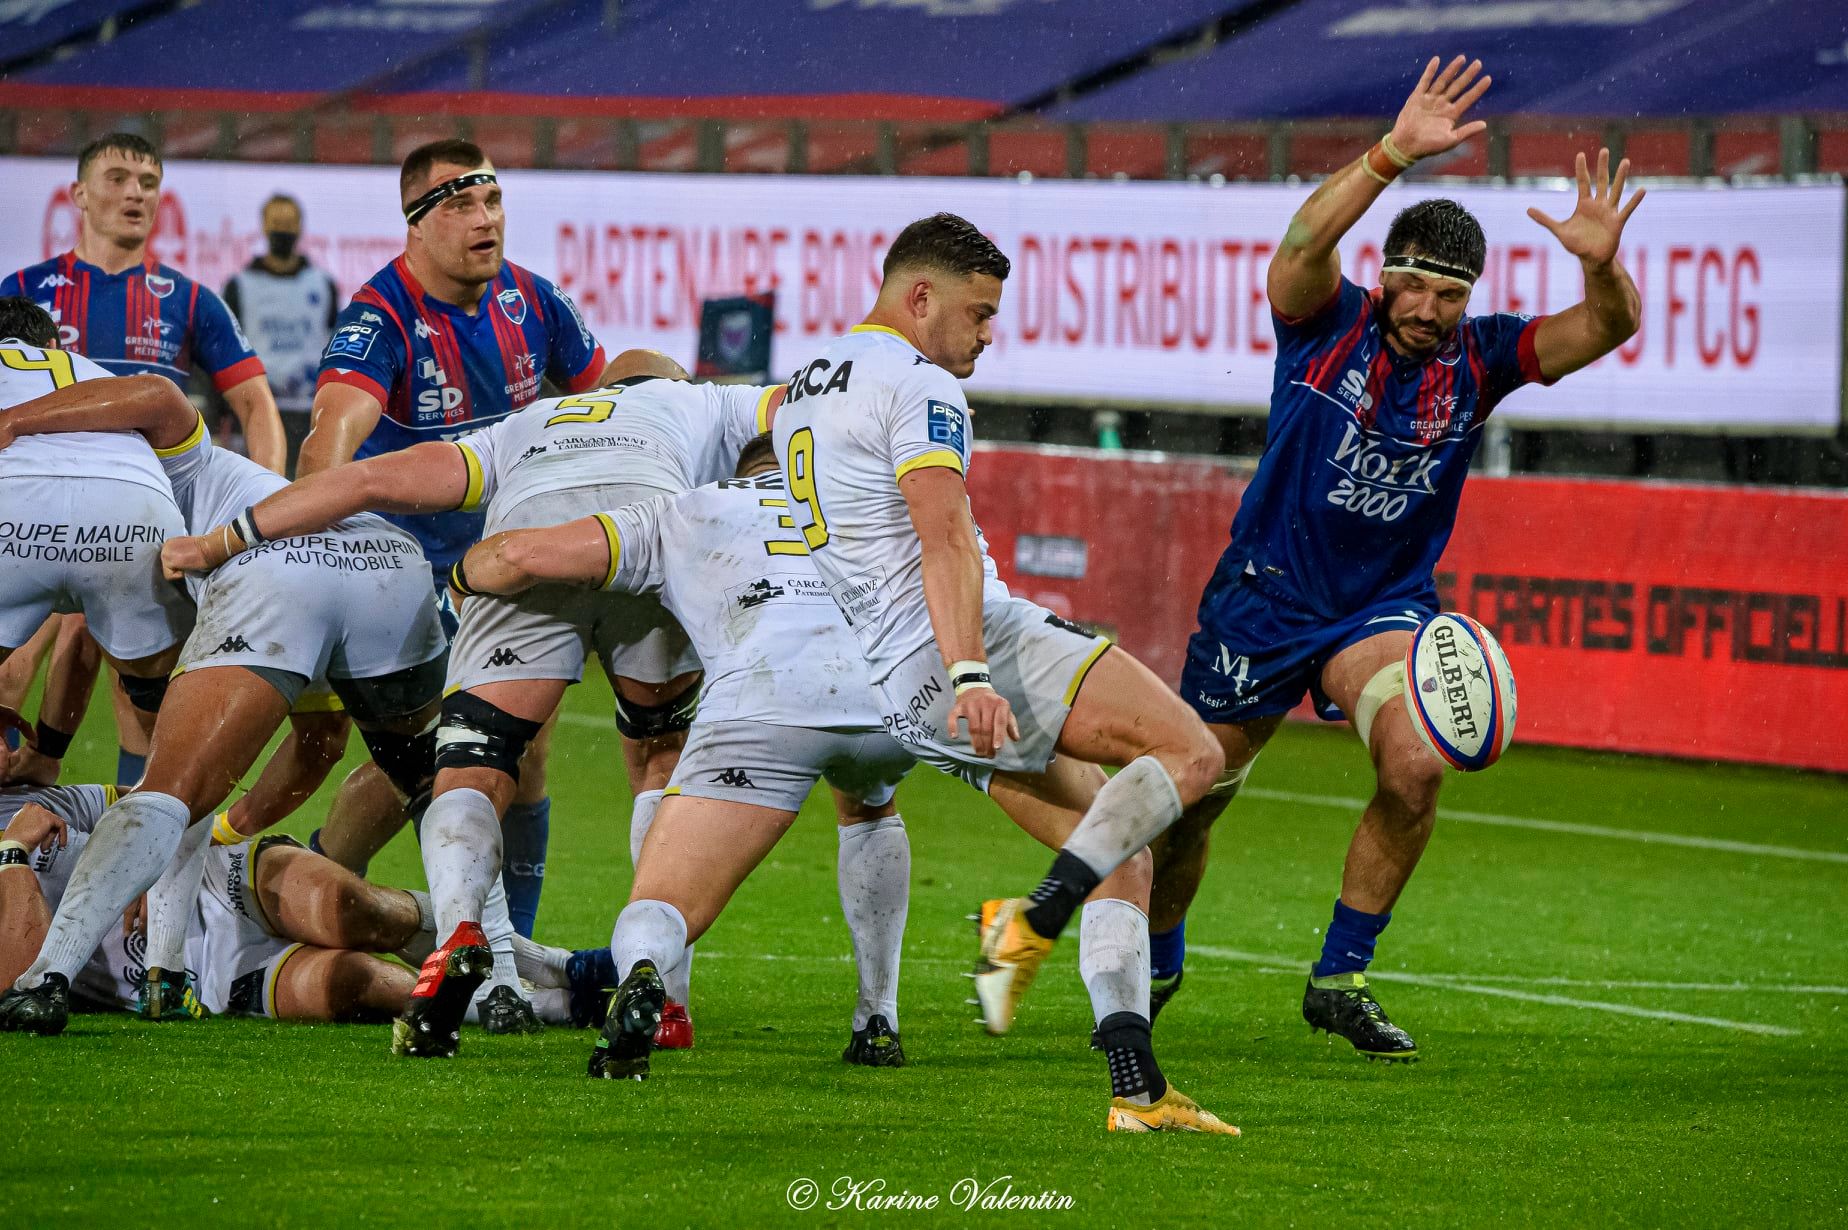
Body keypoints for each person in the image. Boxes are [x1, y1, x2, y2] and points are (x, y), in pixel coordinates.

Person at [1155, 57, 1644, 1061]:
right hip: (1264, 596)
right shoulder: (1323, 324)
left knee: (1418, 767)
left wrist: (1600, 265)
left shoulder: (1485, 359)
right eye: (1415, 285)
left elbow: (1609, 326)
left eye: (1449, 294)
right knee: (1188, 804)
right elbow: (1299, 241)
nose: (1429, 309)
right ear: (1387, 276)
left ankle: (1341, 976)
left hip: (1377, 610)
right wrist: (1388, 154)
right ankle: (1155, 961)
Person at [159, 351, 777, 1058]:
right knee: (659, 753)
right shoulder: (706, 405)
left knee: (472, 761)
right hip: (645, 541)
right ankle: (663, 992)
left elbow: (364, 481)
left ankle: (457, 934)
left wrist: (225, 538)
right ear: (676, 383)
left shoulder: (522, 425)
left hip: (527, 545)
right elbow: (828, 414)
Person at [773, 215, 1233, 1134]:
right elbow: (943, 537)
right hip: (966, 649)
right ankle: (1030, 922)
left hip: (897, 686)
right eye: (979, 314)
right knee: (1191, 753)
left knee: (1122, 843)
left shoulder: (804, 386)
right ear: (919, 299)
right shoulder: (919, 381)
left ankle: (1136, 1087)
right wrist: (973, 670)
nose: (988, 334)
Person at [0, 368, 462, 1039]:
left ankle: (61, 979)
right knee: (427, 777)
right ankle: (509, 964)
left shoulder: (139, 471)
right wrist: (224, 831)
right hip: (382, 558)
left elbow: (78, 641)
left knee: (172, 782)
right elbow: (320, 746)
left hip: (267, 566)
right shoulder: (152, 458)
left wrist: (49, 753)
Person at [454, 434, 917, 1078]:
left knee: (661, 905)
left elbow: (526, 553)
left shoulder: (690, 506)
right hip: (885, 698)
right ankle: (878, 1020)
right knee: (871, 811)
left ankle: (648, 981)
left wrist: (462, 573)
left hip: (762, 704)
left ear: (738, 469)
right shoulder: (875, 506)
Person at [300, 138, 607, 942]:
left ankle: (512, 947)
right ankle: (322, 875)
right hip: (398, 572)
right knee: (438, 758)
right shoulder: (381, 317)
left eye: (493, 201)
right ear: (417, 223)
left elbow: (611, 411)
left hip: (499, 569)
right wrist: (308, 544)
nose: (486, 220)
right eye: (462, 204)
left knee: (515, 749)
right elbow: (332, 434)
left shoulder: (536, 303)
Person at [2, 132, 285, 790]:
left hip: (146, 514)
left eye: (149, 182)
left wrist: (258, 509)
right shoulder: (23, 292)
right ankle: (19, 845)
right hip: (51, 501)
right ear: (77, 195)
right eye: (119, 177)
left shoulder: (187, 300)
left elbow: (256, 405)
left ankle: (137, 866)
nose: (135, 192)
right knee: (13, 674)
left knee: (139, 709)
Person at [0, 784, 612, 1027]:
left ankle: (559, 965)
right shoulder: (14, 843)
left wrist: (135, 868)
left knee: (357, 909)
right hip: (205, 977)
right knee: (369, 984)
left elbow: (164, 795)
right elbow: (21, 973)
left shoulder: (35, 800)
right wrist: (13, 858)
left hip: (220, 879)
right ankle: (567, 1006)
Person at [0, 299, 191, 786]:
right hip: (132, 513)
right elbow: (164, 400)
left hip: (10, 507)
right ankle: (170, 827)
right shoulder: (94, 371)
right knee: (157, 700)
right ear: (54, 346)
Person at [223, 194, 340, 477]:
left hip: (309, 413)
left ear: (301, 227)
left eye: (289, 223)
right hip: (257, 410)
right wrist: (223, 416)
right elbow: (226, 354)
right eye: (276, 222)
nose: (283, 230)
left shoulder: (323, 285)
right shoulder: (240, 286)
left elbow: (335, 347)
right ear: (263, 227)